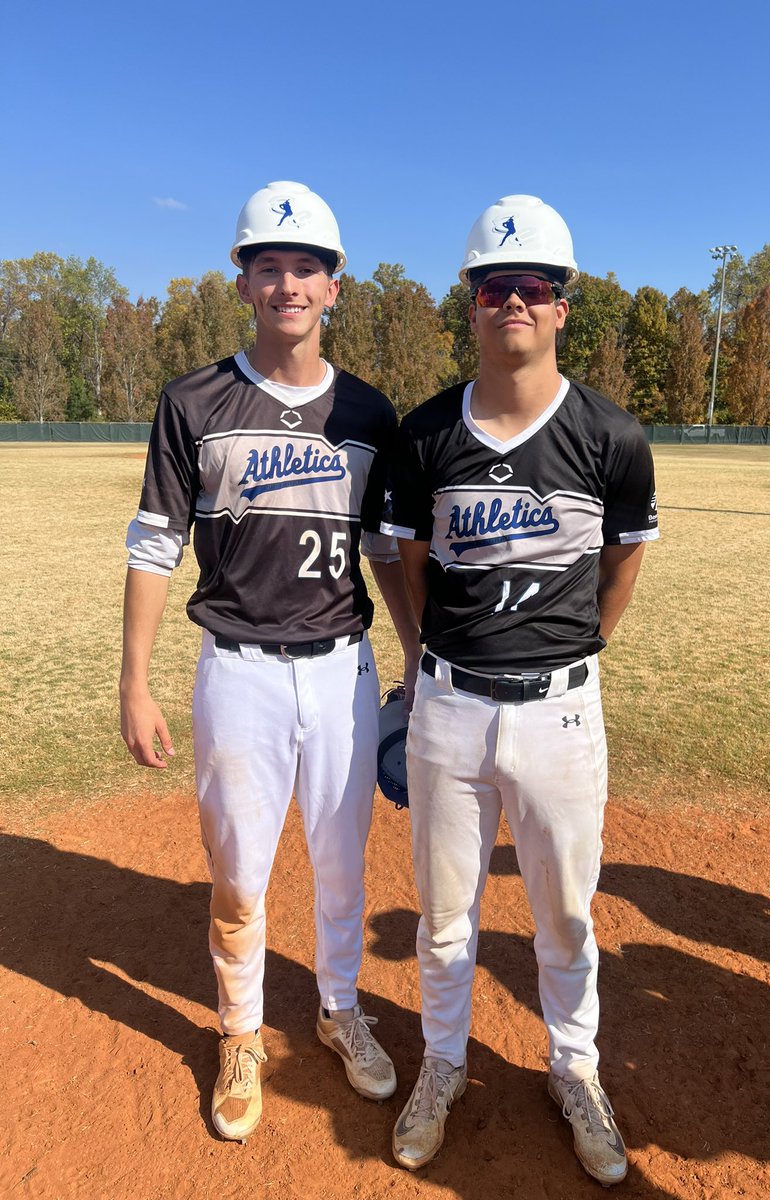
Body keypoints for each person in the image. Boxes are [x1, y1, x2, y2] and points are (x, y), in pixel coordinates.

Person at [120, 181, 419, 1142]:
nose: (288, 283)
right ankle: (240, 1031)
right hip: (238, 669)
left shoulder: (371, 414)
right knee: (239, 870)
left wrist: (414, 664)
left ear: (336, 287)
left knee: (341, 867)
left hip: (342, 671)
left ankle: (338, 1011)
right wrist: (134, 680)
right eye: (270, 265)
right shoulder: (195, 401)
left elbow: (385, 552)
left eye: (308, 268)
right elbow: (154, 545)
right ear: (243, 280)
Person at [383, 195, 659, 1185]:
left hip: (560, 712)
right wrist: (419, 661)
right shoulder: (424, 438)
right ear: (470, 301)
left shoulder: (611, 437)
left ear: (561, 306)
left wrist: (578, 655)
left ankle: (575, 1071)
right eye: (493, 285)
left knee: (566, 918)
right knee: (446, 918)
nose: (512, 300)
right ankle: (443, 1065)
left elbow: (623, 566)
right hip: (450, 708)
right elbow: (403, 561)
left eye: (531, 286)